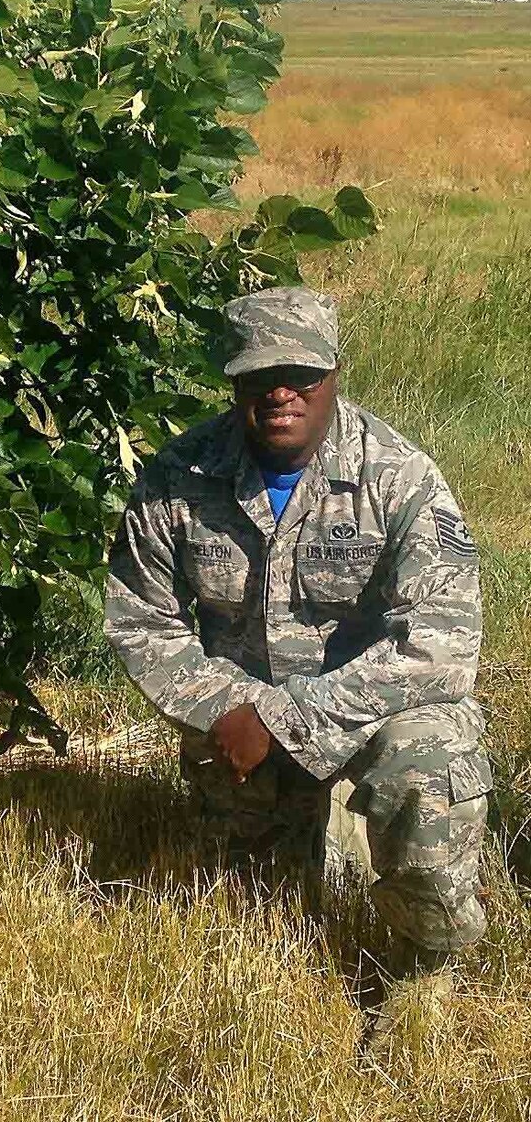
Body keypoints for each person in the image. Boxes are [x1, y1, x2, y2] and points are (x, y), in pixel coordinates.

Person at [104, 287, 488, 1037]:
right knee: (258, 920)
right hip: (236, 721)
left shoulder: (401, 478)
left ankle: (422, 967)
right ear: (233, 382)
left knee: (429, 768)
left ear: (336, 374)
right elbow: (142, 623)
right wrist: (227, 708)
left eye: (301, 375)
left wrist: (282, 719)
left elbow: (439, 648)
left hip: (377, 714)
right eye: (258, 377)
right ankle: (324, 835)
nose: (280, 393)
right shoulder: (176, 478)